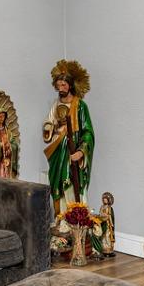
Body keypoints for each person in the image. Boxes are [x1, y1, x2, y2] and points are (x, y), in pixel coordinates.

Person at [42, 60, 94, 216]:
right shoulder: (55, 104)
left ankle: (77, 221)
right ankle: (61, 219)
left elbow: (88, 132)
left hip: (73, 151)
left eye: (64, 85)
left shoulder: (80, 106)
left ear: (70, 85)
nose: (61, 88)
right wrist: (51, 127)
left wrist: (81, 152)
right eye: (58, 85)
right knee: (57, 182)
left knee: (72, 183)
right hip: (58, 150)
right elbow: (48, 124)